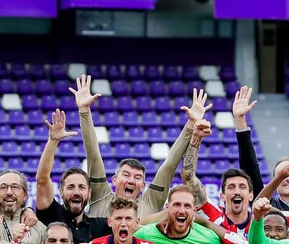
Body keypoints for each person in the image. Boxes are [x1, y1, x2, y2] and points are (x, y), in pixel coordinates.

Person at [76, 75, 199, 218]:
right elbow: (93, 154)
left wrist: (191, 125)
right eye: (126, 175)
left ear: (143, 185)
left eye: (137, 177)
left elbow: (170, 166)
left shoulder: (151, 202)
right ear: (114, 180)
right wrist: (84, 111)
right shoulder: (100, 195)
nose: (131, 181)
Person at [34, 108, 110, 244]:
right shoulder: (51, 214)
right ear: (61, 192)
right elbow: (42, 179)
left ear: (89, 193)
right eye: (70, 187)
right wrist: (53, 141)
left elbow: (131, 222)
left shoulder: (100, 226)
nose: (76, 192)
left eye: (81, 187)